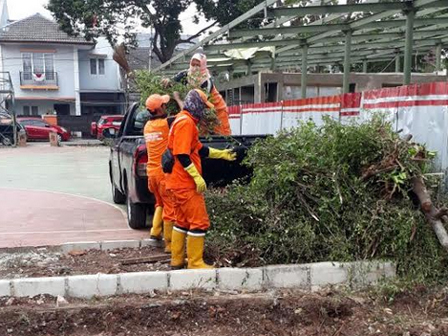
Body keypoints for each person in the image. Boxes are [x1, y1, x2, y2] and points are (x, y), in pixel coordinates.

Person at [166, 89, 236, 269]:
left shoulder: (184, 120)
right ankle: (196, 262)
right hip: (185, 184)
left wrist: (221, 154)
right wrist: (197, 178)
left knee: (182, 221)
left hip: (178, 183)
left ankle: (177, 260)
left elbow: (199, 149)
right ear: (196, 105)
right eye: (203, 107)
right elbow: (182, 155)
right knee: (199, 221)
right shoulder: (186, 123)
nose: (204, 111)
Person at [162, 53, 232, 136]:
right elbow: (172, 81)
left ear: (203, 66)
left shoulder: (206, 82)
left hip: (217, 111)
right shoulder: (185, 74)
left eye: (198, 65)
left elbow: (194, 109)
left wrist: (178, 99)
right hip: (202, 113)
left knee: (221, 135)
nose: (195, 68)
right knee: (200, 134)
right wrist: (167, 81)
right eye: (193, 64)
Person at [144, 94, 176, 253]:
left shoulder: (147, 126)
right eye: (164, 104)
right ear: (158, 109)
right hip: (163, 174)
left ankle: (155, 231)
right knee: (170, 208)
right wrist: (177, 97)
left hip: (151, 174)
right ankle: (169, 245)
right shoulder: (166, 123)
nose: (166, 106)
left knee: (159, 202)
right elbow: (186, 114)